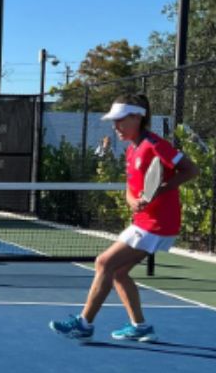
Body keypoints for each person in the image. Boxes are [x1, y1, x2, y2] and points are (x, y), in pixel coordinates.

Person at [50, 94, 199, 342]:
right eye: (114, 121)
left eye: (120, 120)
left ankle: (84, 324)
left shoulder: (155, 144)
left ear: (137, 117)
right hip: (142, 221)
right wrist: (132, 201)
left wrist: (161, 189)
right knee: (118, 273)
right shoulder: (132, 149)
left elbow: (192, 169)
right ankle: (139, 326)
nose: (115, 126)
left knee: (104, 263)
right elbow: (130, 187)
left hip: (158, 223)